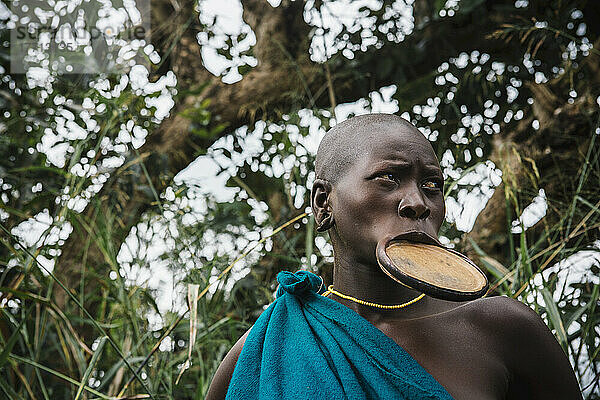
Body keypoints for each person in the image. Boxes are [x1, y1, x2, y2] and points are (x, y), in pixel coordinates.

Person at [206, 114, 582, 399]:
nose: (417, 202)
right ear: (324, 204)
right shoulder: (262, 351)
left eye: (432, 185)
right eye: (388, 178)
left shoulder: (501, 329)